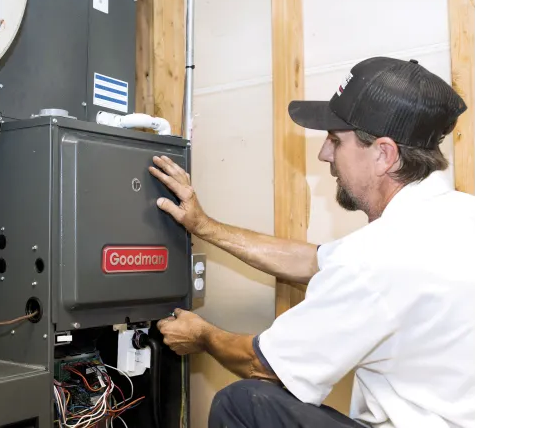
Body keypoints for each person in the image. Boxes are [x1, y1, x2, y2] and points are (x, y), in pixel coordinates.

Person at [149, 57, 479, 428]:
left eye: (335, 141)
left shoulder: (379, 257)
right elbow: (311, 261)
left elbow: (264, 363)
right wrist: (204, 226)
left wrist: (203, 336)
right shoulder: (463, 217)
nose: (324, 154)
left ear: (384, 154)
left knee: (244, 402)